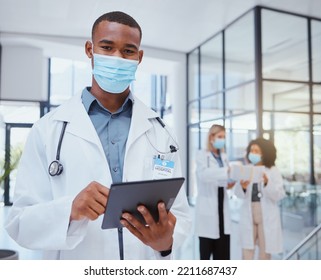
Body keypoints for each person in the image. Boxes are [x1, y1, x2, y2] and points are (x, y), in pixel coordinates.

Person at [5, 11, 191, 260]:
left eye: (128, 50)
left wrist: (166, 241)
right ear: (89, 50)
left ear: (140, 57)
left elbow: (180, 213)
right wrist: (69, 210)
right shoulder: (48, 130)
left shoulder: (162, 134)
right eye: (107, 47)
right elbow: (19, 223)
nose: (117, 57)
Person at [234, 138, 285, 260]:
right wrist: (243, 187)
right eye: (252, 150)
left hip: (265, 215)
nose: (253, 153)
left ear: (264, 153)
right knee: (247, 252)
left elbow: (279, 194)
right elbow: (238, 194)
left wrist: (267, 183)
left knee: (264, 253)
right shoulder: (246, 169)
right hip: (249, 213)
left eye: (257, 151)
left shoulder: (273, 171)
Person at [194, 124, 235, 260]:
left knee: (223, 258)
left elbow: (222, 180)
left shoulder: (223, 157)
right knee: (206, 258)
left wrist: (230, 182)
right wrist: (226, 172)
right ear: (211, 137)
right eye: (220, 137)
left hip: (222, 210)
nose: (222, 140)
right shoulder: (202, 155)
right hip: (208, 212)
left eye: (224, 137)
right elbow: (204, 175)